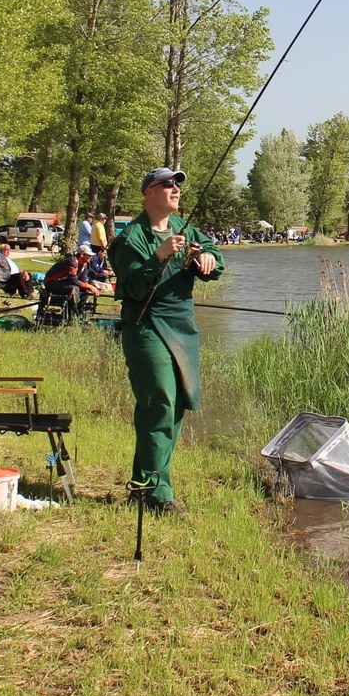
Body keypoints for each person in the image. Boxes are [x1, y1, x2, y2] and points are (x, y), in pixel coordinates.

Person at [107, 166, 222, 514]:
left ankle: (147, 484)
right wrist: (159, 256)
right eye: (167, 184)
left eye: (178, 185)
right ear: (149, 193)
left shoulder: (184, 229)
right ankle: (156, 494)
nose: (175, 189)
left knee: (176, 408)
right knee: (159, 403)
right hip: (146, 327)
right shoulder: (130, 239)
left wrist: (207, 257)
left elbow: (216, 257)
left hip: (181, 327)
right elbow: (132, 285)